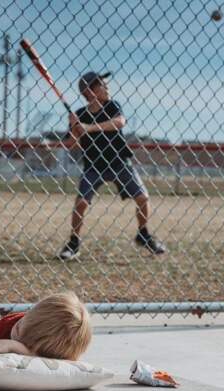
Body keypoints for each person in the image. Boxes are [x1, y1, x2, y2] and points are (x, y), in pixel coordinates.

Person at [58, 71, 165, 260]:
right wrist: (74, 127)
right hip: (93, 166)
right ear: (90, 91)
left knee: (142, 197)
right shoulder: (80, 114)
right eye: (102, 85)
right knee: (81, 203)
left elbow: (119, 122)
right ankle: (74, 243)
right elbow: (71, 144)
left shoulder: (112, 106)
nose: (107, 87)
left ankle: (143, 234)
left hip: (119, 162)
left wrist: (89, 127)